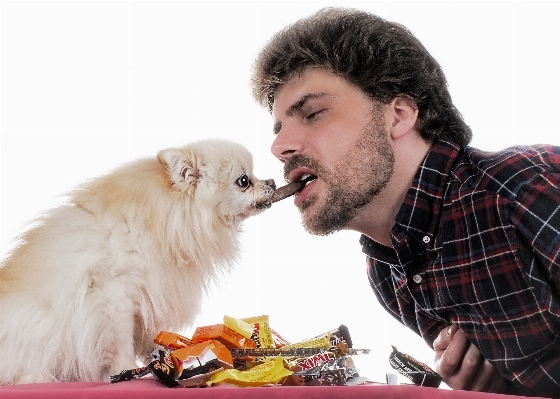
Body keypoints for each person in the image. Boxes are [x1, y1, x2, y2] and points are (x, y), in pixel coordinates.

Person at [250, 7, 560, 398]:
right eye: (278, 129)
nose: (279, 147)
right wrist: (500, 391)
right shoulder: (387, 272)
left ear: (399, 115)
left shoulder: (525, 187)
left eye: (312, 113)